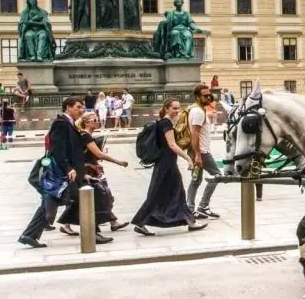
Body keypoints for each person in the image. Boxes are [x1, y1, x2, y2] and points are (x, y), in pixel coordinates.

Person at [131, 99, 207, 235]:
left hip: (164, 162)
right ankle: (140, 221)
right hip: (167, 164)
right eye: (174, 108)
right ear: (166, 109)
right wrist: (189, 158)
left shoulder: (162, 122)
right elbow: (172, 145)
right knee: (163, 193)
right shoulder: (166, 123)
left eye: (178, 108)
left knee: (173, 192)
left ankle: (190, 221)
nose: (177, 111)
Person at [19, 96, 86, 248]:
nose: (81, 110)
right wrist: (68, 168)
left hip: (69, 170)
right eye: (78, 107)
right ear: (68, 107)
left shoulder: (69, 123)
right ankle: (29, 234)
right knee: (57, 200)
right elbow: (58, 148)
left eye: (82, 107)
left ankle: (29, 234)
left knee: (52, 201)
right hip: (62, 172)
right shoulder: (61, 124)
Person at [57, 112, 129, 242]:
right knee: (99, 197)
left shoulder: (86, 135)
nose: (97, 121)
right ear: (86, 122)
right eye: (94, 119)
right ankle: (97, 229)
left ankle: (111, 222)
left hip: (91, 169)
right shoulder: (85, 136)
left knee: (96, 197)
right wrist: (119, 162)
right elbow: (99, 154)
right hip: (88, 171)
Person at [186, 85, 221, 220]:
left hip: (197, 151)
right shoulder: (198, 112)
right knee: (217, 175)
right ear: (197, 97)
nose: (208, 97)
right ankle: (202, 207)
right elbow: (195, 134)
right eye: (205, 95)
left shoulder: (195, 109)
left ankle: (190, 209)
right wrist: (198, 155)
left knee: (196, 180)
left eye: (209, 95)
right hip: (201, 152)